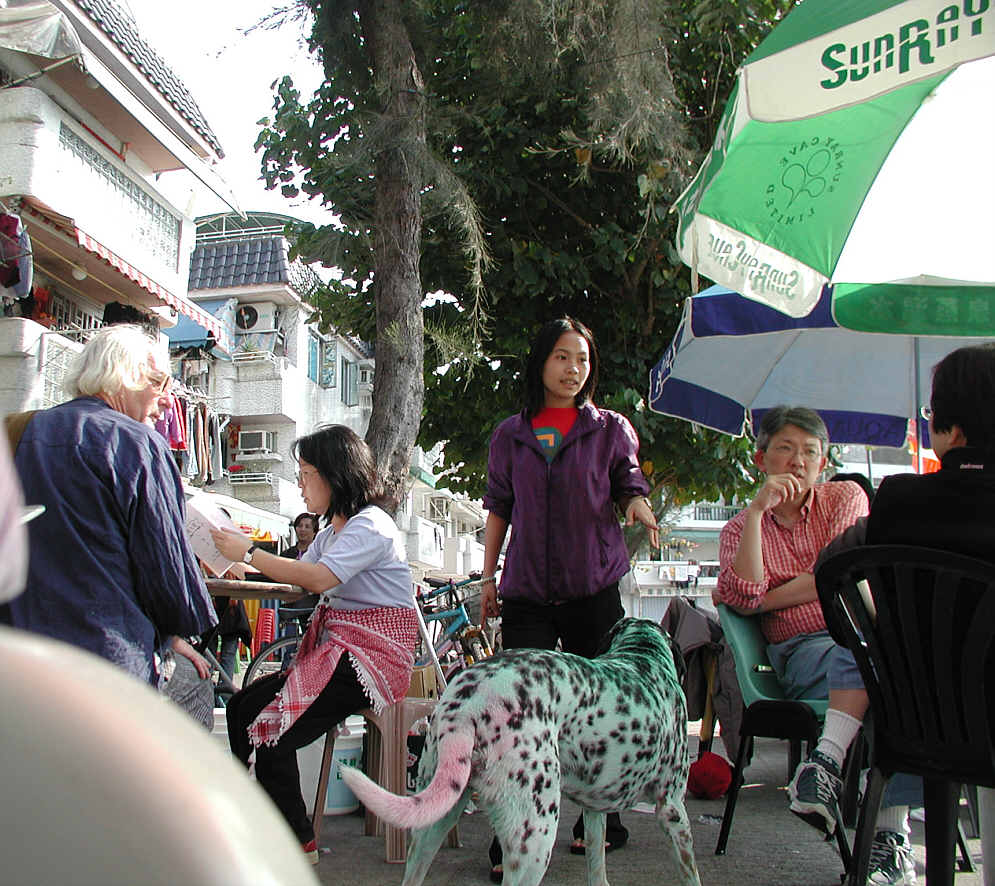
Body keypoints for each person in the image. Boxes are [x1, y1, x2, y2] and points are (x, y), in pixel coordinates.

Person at [791, 344, 995, 886]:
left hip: (916, 724)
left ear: (948, 429)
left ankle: (858, 799)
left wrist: (866, 638)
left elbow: (833, 566)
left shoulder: (899, 498)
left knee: (893, 654)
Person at [480, 316, 658, 882]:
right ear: (541, 363)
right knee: (522, 718)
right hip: (527, 593)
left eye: (581, 358)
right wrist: (487, 579)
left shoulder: (610, 429)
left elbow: (629, 481)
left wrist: (636, 503)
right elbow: (499, 509)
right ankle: (515, 833)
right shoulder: (511, 434)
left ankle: (602, 821)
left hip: (593, 590)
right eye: (562, 356)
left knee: (598, 714)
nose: (573, 368)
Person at [210, 424, 417, 865]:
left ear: (334, 474)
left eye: (305, 473)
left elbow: (317, 579)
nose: (300, 484)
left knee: (268, 726)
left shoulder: (371, 525)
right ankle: (261, 819)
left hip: (372, 659)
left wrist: (249, 553)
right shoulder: (330, 535)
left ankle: (295, 841)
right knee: (243, 708)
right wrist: (240, 567)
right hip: (338, 652)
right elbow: (297, 578)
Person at [4, 324, 217, 724]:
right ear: (127, 374)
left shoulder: (17, 432)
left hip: (19, 652)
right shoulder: (136, 442)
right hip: (105, 655)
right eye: (159, 382)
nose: (166, 400)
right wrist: (178, 631)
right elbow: (165, 570)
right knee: (197, 683)